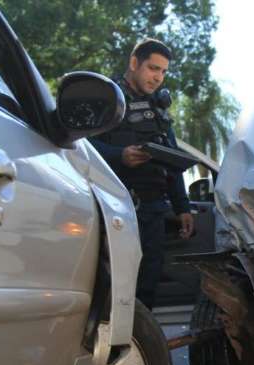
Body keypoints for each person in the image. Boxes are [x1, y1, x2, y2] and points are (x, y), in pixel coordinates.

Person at [90, 38, 193, 310]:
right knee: (112, 285)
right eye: (152, 68)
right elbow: (81, 146)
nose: (158, 77)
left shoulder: (158, 109)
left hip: (153, 211)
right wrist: (119, 156)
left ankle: (138, 346)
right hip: (115, 207)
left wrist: (182, 207)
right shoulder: (106, 98)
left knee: (147, 286)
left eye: (163, 71)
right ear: (134, 63)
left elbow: (172, 158)